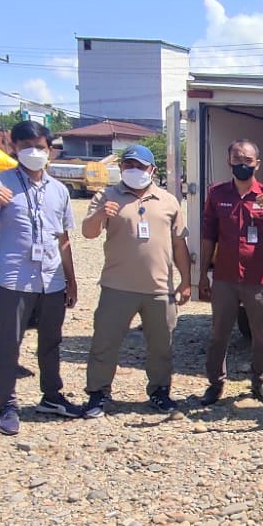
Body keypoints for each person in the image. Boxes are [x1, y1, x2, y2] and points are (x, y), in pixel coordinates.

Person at [0, 120, 82, 436]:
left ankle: (51, 396)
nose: (34, 152)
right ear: (14, 148)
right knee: (9, 343)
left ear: (50, 150)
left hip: (52, 279)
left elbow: (63, 238)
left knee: (51, 341)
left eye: (40, 147)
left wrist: (71, 280)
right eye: (26, 147)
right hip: (14, 279)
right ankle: (7, 405)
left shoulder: (59, 190)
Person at [80, 144, 192, 417]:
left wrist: (186, 281)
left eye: (140, 166)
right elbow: (88, 233)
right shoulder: (107, 196)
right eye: (128, 165)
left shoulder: (168, 201)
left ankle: (160, 392)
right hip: (117, 287)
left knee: (161, 346)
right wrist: (99, 214)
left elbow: (179, 245)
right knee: (105, 343)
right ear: (121, 168)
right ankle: (97, 394)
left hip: (159, 289)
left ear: (152, 170)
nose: (133, 171)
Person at [199, 139, 263, 405]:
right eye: (237, 159)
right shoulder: (217, 194)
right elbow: (208, 236)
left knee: (260, 337)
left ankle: (259, 383)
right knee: (219, 334)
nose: (243, 164)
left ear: (257, 163)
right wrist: (201, 275)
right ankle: (215, 384)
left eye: (248, 160)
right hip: (224, 278)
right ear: (229, 161)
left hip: (258, 279)